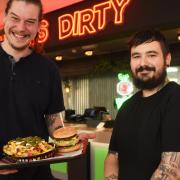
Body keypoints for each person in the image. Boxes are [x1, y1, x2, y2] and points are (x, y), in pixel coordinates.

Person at [0, 0, 96, 179]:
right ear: (5, 17)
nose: (21, 28)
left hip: (38, 174)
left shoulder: (48, 69)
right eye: (15, 18)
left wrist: (70, 138)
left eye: (30, 21)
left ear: (38, 26)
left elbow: (54, 123)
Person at [104, 29, 180, 180]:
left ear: (167, 59)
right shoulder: (126, 107)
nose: (143, 63)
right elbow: (113, 157)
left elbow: (172, 170)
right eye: (136, 56)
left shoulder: (175, 97)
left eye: (151, 55)